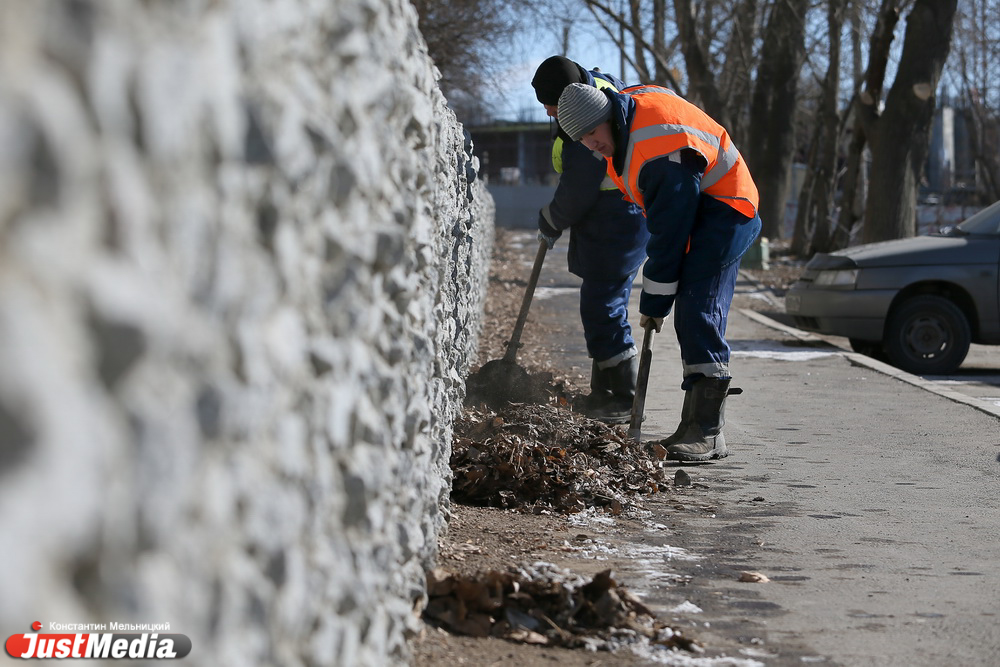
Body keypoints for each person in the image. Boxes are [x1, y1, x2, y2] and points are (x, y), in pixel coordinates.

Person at [555, 81, 762, 462]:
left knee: (697, 305)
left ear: (607, 118)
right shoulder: (625, 125)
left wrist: (655, 300)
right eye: (580, 138)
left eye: (592, 133)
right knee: (687, 302)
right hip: (699, 203)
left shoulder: (659, 150)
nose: (590, 144)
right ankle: (692, 426)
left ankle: (707, 431)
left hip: (728, 207)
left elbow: (670, 234)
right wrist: (658, 295)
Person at [530, 56, 650, 424]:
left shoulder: (582, 116)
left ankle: (623, 397)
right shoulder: (595, 92)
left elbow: (580, 184)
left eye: (550, 104)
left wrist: (552, 218)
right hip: (614, 213)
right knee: (601, 301)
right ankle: (605, 393)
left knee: (602, 304)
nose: (550, 113)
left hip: (617, 216)